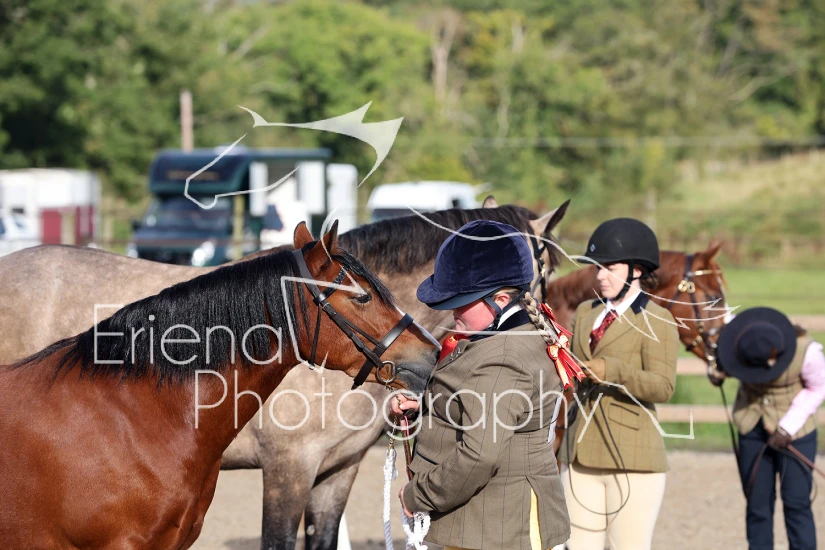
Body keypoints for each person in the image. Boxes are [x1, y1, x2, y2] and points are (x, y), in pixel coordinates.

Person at [392, 219, 571, 550]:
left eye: (463, 301)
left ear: (500, 299)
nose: (452, 311)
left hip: (496, 527)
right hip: (486, 522)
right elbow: (480, 406)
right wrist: (426, 408)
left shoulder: (501, 357)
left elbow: (478, 456)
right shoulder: (506, 336)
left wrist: (418, 495)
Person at [558, 218, 679, 550]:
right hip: (579, 452)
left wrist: (613, 371)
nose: (599, 276)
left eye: (609, 268)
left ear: (636, 270)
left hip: (632, 457)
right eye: (598, 268)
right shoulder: (586, 312)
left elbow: (663, 386)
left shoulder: (658, 319)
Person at [717, 307, 825, 550]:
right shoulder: (735, 336)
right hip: (751, 425)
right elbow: (718, 358)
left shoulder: (807, 352)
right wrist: (716, 371)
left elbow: (819, 387)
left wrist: (787, 427)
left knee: (797, 503)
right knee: (757, 506)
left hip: (797, 433)